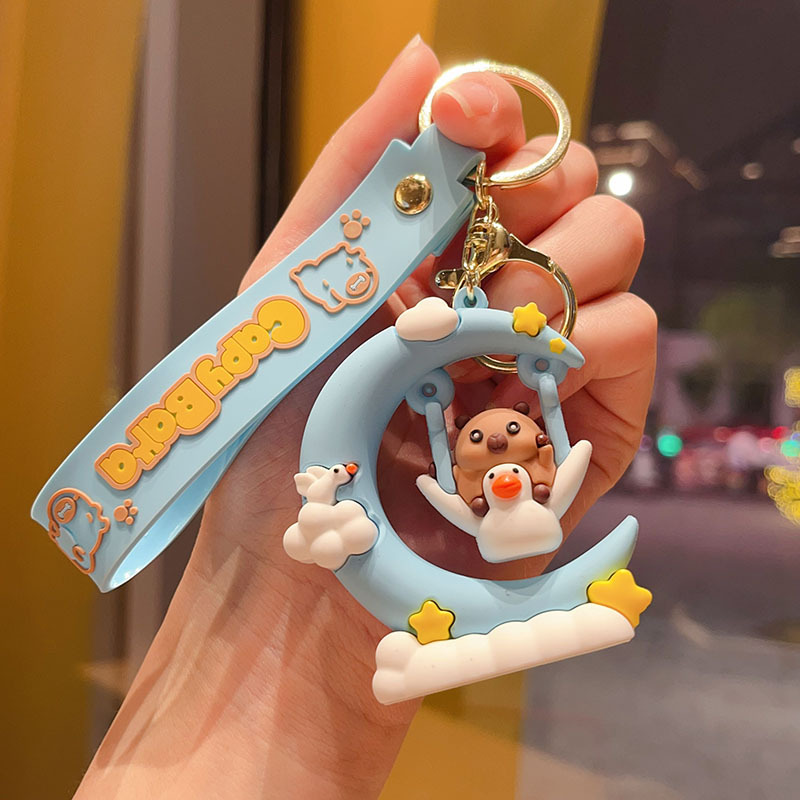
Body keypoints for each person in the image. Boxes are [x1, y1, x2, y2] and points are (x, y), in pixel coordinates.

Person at [75, 36, 654, 798]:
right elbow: (447, 489)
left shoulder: (498, 453)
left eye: (510, 433)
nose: (500, 441)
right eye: (488, 437)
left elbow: (490, 480)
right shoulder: (420, 456)